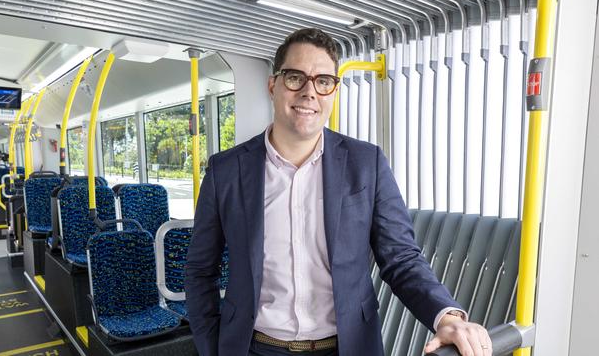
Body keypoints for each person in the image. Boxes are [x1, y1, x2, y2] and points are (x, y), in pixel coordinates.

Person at [185, 28, 492, 356]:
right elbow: (201, 269)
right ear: (273, 85)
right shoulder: (226, 171)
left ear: (333, 91)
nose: (309, 92)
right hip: (255, 348)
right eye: (295, 78)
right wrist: (211, 347)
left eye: (323, 81)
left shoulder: (366, 163)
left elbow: (400, 257)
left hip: (347, 347)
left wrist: (446, 315)